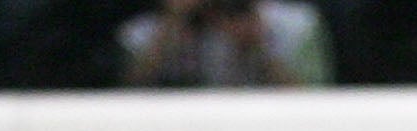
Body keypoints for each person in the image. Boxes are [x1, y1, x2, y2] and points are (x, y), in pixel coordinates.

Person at [119, 0, 332, 86]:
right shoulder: (141, 33)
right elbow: (123, 97)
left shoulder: (296, 25)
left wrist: (259, 47)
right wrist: (173, 21)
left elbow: (315, 104)